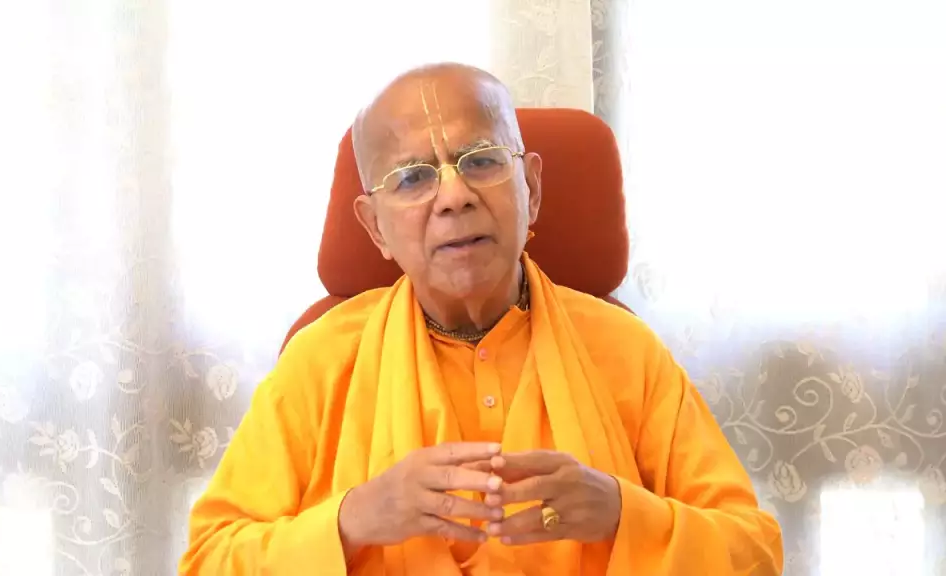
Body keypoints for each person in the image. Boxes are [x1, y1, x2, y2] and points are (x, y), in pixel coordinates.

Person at [179, 63, 783, 575]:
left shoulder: (624, 350)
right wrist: (353, 518)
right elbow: (209, 559)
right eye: (413, 177)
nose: (454, 196)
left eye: (481, 160)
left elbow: (753, 550)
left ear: (532, 189)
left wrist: (622, 512)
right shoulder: (322, 361)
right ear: (374, 227)